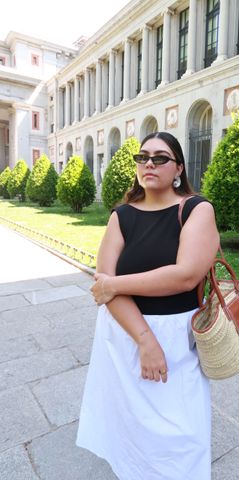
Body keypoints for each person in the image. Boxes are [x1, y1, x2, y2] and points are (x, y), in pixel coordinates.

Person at [76, 131, 220, 480]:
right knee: (131, 430)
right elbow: (103, 283)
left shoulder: (196, 210)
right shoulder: (122, 215)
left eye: (160, 157)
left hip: (176, 338)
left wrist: (113, 285)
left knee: (180, 434)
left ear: (179, 168)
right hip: (124, 332)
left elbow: (184, 276)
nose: (150, 163)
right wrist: (143, 338)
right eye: (143, 157)